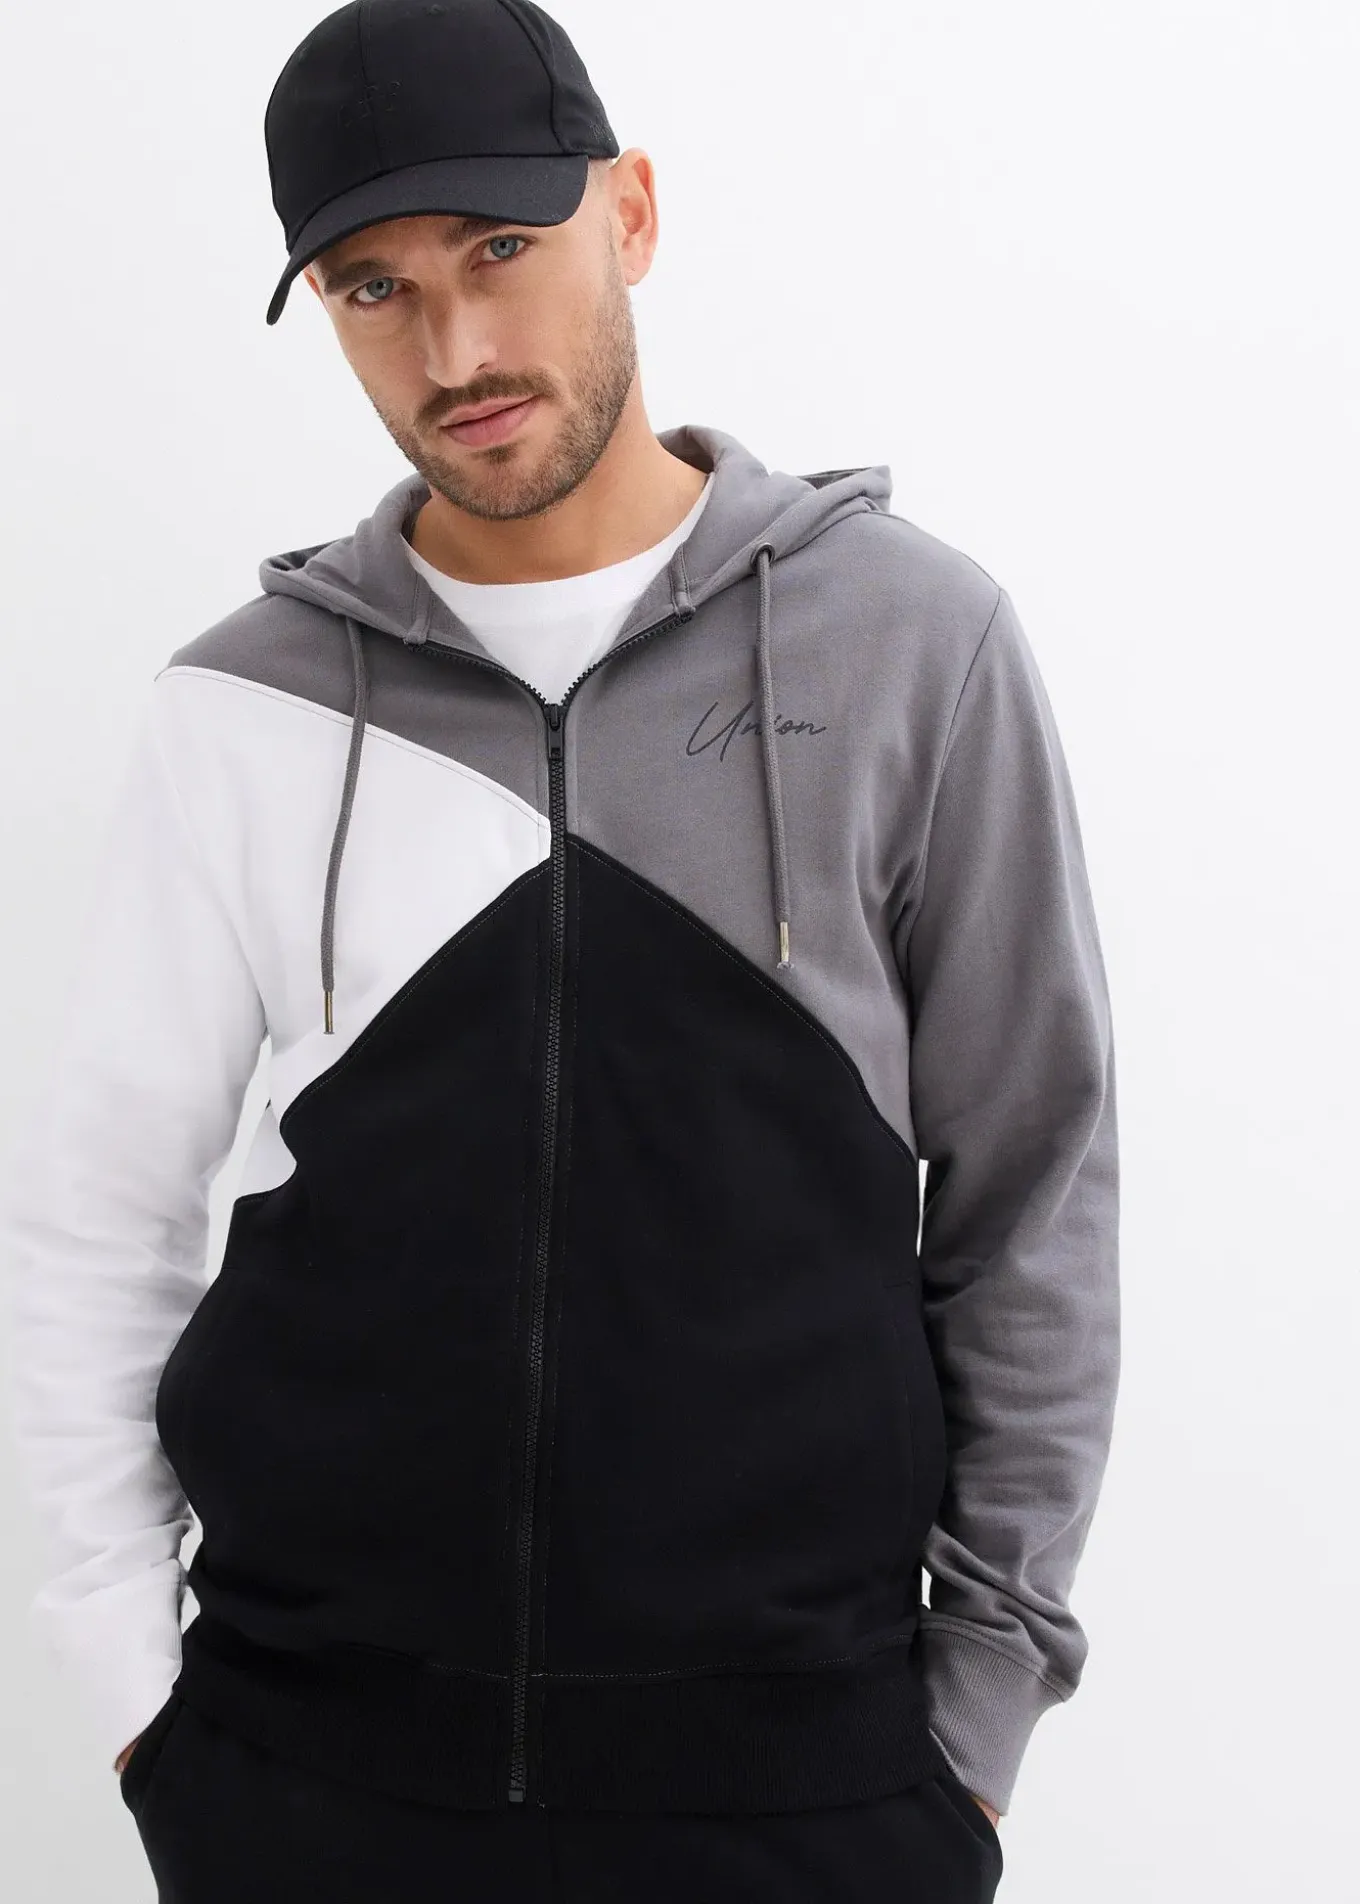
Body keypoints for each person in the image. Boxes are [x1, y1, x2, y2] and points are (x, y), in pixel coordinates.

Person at [3, 2, 1120, 1897]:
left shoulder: (911, 647)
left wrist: (980, 1718)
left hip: (809, 1789)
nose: (455, 350)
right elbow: (97, 1211)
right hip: (304, 1780)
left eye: (500, 249)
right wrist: (135, 1692)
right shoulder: (242, 706)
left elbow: (1037, 1194)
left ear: (634, 213)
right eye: (374, 288)